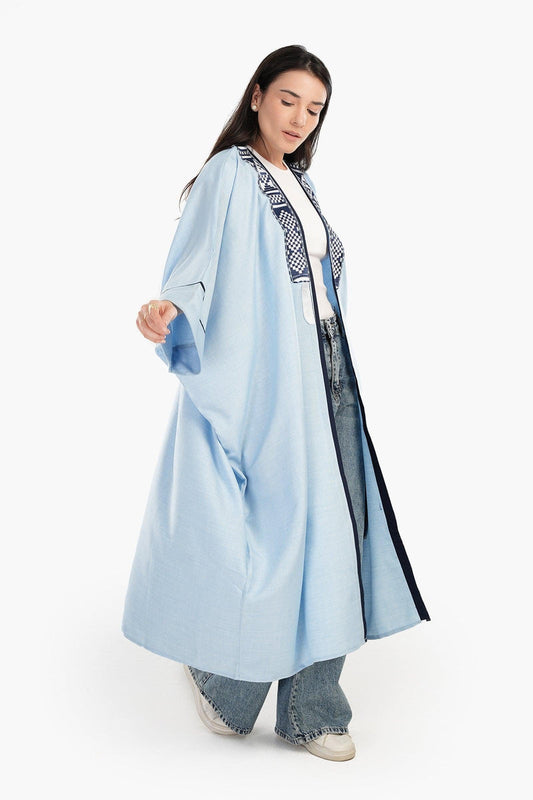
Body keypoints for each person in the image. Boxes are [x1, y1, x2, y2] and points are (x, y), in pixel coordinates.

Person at [122, 44, 431, 763]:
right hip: (272, 381)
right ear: (257, 94)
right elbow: (196, 265)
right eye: (288, 99)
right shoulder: (229, 173)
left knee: (338, 533)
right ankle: (226, 685)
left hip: (329, 369)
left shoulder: (302, 182)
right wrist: (170, 307)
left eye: (314, 109)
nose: (299, 118)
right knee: (280, 531)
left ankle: (311, 710)